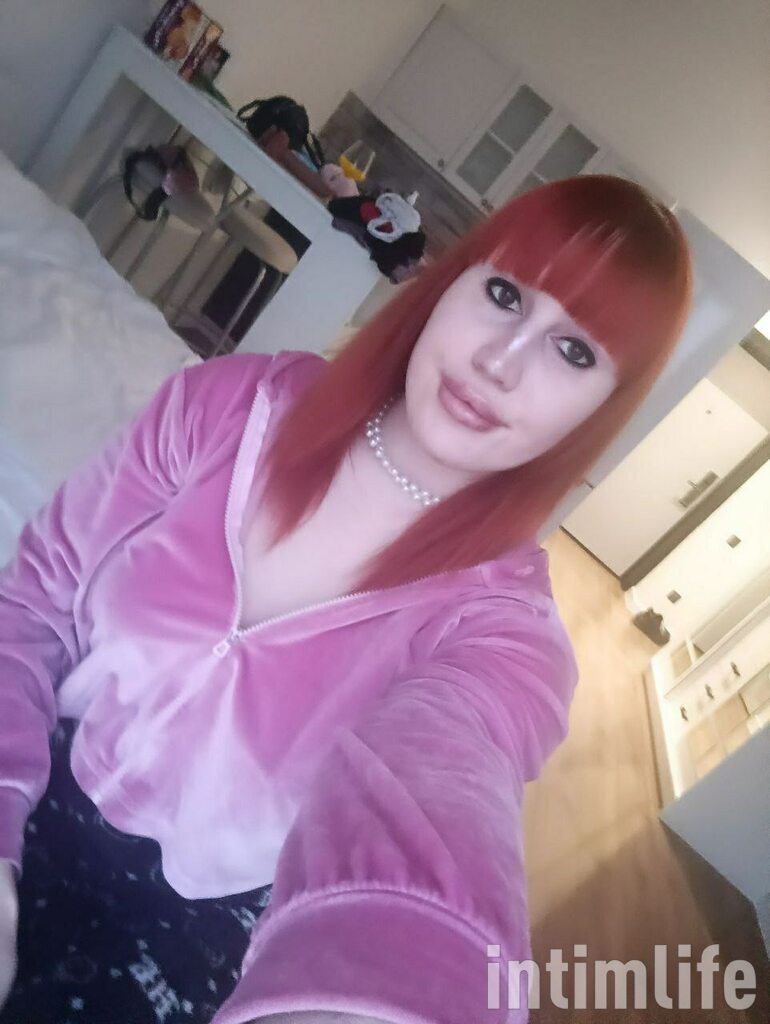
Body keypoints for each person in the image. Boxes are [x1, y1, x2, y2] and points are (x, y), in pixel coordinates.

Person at [0, 175, 692, 1023]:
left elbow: (438, 822)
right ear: (452, 282)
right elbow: (30, 607)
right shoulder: (230, 408)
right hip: (27, 772)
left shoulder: (502, 638)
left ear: (599, 413)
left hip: (190, 935)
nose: (499, 363)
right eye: (506, 295)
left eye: (574, 351)